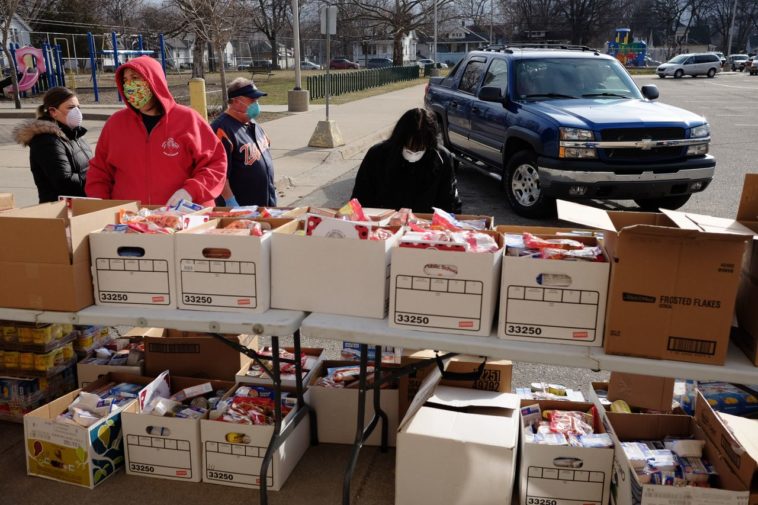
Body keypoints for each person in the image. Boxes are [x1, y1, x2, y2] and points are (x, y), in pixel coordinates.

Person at [85, 56, 226, 207]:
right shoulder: (115, 124)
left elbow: (215, 163)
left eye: (135, 78)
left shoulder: (189, 120)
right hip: (130, 217)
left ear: (154, 81)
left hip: (184, 215)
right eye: (125, 80)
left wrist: (191, 191)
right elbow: (99, 171)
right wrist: (100, 204)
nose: (130, 85)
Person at [351, 107, 462, 213]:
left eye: (420, 148)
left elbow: (450, 204)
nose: (413, 152)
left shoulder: (442, 158)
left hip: (425, 223)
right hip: (383, 221)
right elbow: (360, 197)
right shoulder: (377, 155)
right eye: (409, 148)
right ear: (399, 139)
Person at [13, 86, 91, 203]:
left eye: (78, 107)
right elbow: (64, 182)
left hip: (83, 204)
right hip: (60, 208)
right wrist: (97, 177)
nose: (77, 112)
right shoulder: (46, 140)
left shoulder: (76, 135)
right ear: (53, 112)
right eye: (71, 107)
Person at [211, 77, 276, 207]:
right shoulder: (221, 129)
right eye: (252, 100)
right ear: (236, 101)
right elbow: (218, 174)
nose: (256, 104)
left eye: (257, 100)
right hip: (241, 208)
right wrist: (230, 202)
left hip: (266, 203)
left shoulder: (252, 123)